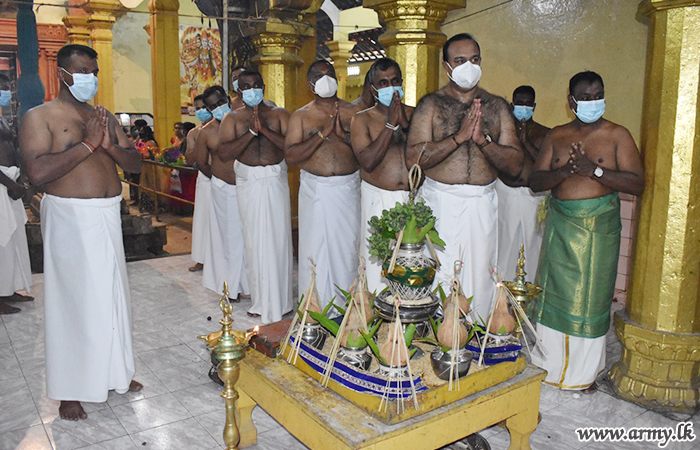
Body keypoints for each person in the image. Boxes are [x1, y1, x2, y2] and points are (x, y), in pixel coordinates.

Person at [19, 44, 143, 420]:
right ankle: (69, 390)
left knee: (111, 297)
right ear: (63, 74)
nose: (91, 79)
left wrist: (108, 146)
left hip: (107, 214)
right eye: (83, 71)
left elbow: (135, 164)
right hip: (70, 216)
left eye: (94, 72)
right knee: (72, 303)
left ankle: (116, 372)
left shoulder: (104, 117)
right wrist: (88, 145)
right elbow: (37, 172)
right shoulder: (40, 117)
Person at [529, 71, 644, 392]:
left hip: (598, 229)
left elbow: (637, 183)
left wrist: (595, 170)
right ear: (571, 101)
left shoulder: (617, 135)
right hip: (560, 226)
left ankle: (582, 373)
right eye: (586, 97)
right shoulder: (557, 135)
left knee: (589, 298)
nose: (593, 102)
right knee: (554, 293)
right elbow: (535, 181)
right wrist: (566, 171)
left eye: (598, 96)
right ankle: (549, 364)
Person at [406, 33, 524, 321]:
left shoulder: (496, 106)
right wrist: (457, 139)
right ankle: (436, 333)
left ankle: (476, 330)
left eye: (474, 59)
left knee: (480, 273)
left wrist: (484, 142)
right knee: (439, 273)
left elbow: (515, 165)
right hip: (440, 203)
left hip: (481, 205)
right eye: (460, 61)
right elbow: (413, 159)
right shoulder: (431, 104)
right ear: (447, 66)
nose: (468, 67)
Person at [285, 60, 362, 309]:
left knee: (347, 249)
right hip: (315, 190)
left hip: (348, 189)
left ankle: (348, 308)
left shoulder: (354, 112)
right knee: (314, 249)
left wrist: (343, 136)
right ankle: (314, 308)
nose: (325, 79)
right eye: (319, 76)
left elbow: (367, 153)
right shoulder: (301, 116)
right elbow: (291, 157)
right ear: (310, 85)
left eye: (329, 74)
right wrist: (322, 134)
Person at [218, 70, 293, 323]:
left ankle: (282, 301)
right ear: (239, 91)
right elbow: (225, 153)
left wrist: (266, 131)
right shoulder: (231, 119)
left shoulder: (280, 114)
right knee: (254, 241)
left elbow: (291, 149)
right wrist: (250, 132)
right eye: (246, 86)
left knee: (279, 239)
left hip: (275, 182)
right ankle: (261, 300)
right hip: (249, 185)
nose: (252, 90)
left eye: (256, 85)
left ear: (264, 86)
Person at [350, 58, 413, 294]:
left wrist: (404, 125)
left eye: (395, 81)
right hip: (379, 200)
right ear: (373, 88)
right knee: (378, 267)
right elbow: (367, 161)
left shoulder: (415, 114)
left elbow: (425, 155)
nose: (391, 87)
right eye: (383, 83)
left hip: (413, 199)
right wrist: (390, 126)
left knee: (410, 265)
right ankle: (376, 312)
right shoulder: (362, 119)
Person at [198, 85, 249, 300]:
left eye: (221, 103)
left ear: (228, 99)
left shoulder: (242, 123)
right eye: (213, 106)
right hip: (222, 190)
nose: (218, 108)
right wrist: (218, 178)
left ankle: (248, 285)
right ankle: (229, 286)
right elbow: (201, 162)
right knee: (226, 239)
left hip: (246, 187)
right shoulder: (206, 132)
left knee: (247, 237)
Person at [495, 85, 551, 280]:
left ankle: (530, 289)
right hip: (506, 194)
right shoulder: (502, 131)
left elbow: (544, 164)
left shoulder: (545, 133)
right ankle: (501, 291)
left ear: (534, 106)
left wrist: (525, 141)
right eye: (520, 103)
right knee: (504, 245)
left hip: (532, 197)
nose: (524, 107)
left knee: (533, 246)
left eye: (528, 104)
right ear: (512, 106)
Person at [0, 74, 33, 315]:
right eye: (3, 88)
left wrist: (19, 180)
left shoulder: (3, 119)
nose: (7, 93)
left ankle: (8, 288)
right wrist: (10, 184)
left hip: (10, 182)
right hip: (3, 183)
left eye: (8, 88)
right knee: (1, 241)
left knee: (13, 241)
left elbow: (12, 150)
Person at [185, 94, 213, 272]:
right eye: (198, 108)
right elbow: (190, 159)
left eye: (205, 107)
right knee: (203, 219)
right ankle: (202, 258)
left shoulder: (222, 127)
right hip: (204, 179)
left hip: (223, 177)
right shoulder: (193, 133)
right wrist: (200, 141)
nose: (202, 111)